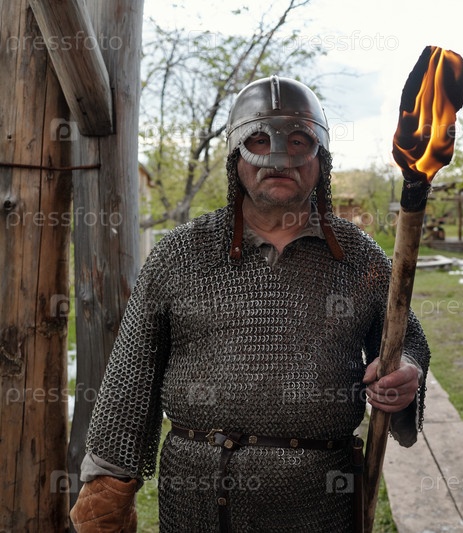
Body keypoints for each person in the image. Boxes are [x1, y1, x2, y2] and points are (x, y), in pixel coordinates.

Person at [69, 76, 431, 532]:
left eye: (298, 141)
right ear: (236, 157)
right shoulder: (181, 254)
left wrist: (406, 371)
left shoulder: (358, 256)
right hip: (200, 495)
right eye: (260, 140)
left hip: (320, 494)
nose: (279, 157)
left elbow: (405, 339)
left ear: (320, 158)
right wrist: (107, 483)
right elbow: (131, 378)